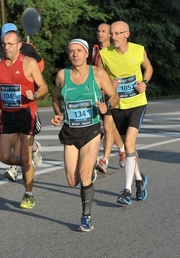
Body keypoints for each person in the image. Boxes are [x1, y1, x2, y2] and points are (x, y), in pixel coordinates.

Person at [51, 39, 119, 232]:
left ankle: (86, 217)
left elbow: (114, 96)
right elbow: (56, 98)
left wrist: (107, 106)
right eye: (71, 51)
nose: (75, 54)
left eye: (79, 51)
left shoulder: (97, 74)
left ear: (86, 53)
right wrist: (58, 113)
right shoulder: (62, 76)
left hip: (91, 130)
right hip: (70, 131)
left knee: (83, 175)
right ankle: (89, 172)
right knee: (72, 181)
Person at [0, 30, 49, 209]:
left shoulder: (29, 63)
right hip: (7, 115)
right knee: (4, 156)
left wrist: (35, 94)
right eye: (4, 44)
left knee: (24, 153)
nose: (7, 48)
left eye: (10, 44)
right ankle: (27, 163)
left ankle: (28, 194)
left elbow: (44, 87)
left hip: (26, 114)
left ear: (19, 45)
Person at [97, 20, 153, 205]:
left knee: (128, 142)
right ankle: (139, 179)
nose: (113, 37)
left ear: (127, 34)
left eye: (117, 33)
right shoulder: (104, 54)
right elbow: (98, 77)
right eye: (111, 33)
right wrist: (107, 85)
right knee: (129, 148)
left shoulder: (138, 49)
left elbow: (149, 67)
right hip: (118, 106)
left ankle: (127, 192)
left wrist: (145, 82)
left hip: (137, 103)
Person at [90, 23, 125, 174]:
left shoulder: (115, 50)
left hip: (112, 93)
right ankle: (123, 149)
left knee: (108, 126)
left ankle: (104, 160)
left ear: (110, 34)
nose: (100, 33)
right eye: (98, 31)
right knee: (110, 127)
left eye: (103, 31)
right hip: (97, 93)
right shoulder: (93, 50)